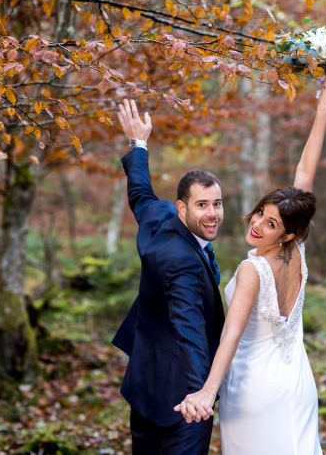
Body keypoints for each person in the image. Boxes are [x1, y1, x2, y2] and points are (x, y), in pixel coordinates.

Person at [174, 76, 326, 454]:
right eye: (261, 213)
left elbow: (231, 335)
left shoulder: (254, 270)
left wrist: (207, 391)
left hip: (254, 391)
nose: (257, 224)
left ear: (285, 234)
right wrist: (322, 111)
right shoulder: (297, 250)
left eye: (270, 224)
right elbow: (305, 176)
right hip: (297, 385)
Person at [111, 99, 225, 454]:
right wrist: (201, 395)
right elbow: (189, 327)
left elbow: (140, 194)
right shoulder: (183, 264)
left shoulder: (160, 217)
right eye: (202, 205)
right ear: (182, 207)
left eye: (217, 204)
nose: (212, 215)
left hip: (144, 382)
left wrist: (138, 144)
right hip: (180, 402)